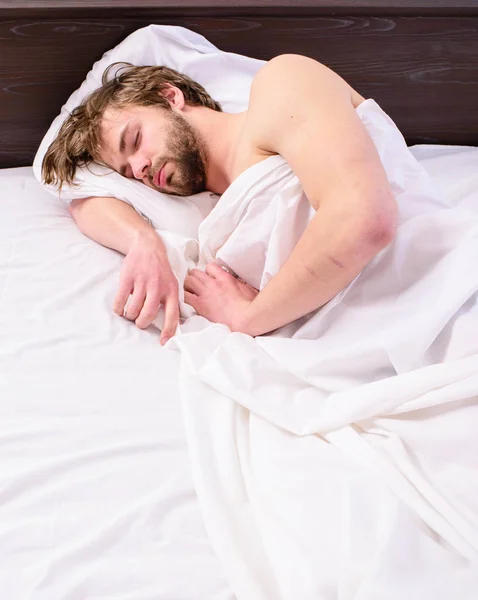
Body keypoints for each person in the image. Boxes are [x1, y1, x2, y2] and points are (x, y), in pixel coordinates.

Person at [42, 54, 398, 345]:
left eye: (134, 140)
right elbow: (84, 202)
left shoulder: (280, 86)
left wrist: (248, 318)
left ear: (170, 97)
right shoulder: (210, 207)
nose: (139, 168)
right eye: (126, 172)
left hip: (414, 305)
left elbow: (365, 218)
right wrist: (142, 241)